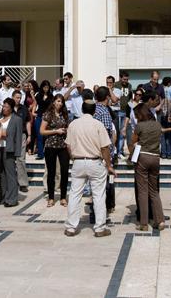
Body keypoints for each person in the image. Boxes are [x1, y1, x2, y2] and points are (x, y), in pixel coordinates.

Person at [63, 100, 115, 238]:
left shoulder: (73, 124)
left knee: (74, 195)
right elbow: (105, 147)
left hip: (78, 161)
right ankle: (99, 228)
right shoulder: (98, 125)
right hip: (94, 162)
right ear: (94, 111)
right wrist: (109, 165)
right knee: (98, 195)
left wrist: (74, 158)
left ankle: (71, 227)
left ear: (82, 109)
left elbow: (68, 145)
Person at [131, 103, 164, 231]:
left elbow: (133, 141)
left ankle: (144, 223)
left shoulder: (140, 126)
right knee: (154, 190)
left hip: (143, 157)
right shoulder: (157, 125)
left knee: (143, 191)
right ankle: (160, 220)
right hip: (155, 158)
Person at [41, 93, 71, 207]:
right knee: (51, 172)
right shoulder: (48, 114)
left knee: (64, 171)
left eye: (61, 101)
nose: (60, 103)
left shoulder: (64, 114)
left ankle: (63, 197)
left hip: (63, 145)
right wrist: (56, 131)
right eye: (58, 101)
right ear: (54, 102)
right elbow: (42, 131)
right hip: (51, 146)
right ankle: (51, 197)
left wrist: (66, 130)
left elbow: (68, 126)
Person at [0, 97, 24, 207]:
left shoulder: (17, 120)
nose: (4, 108)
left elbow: (18, 137)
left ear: (11, 108)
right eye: (3, 106)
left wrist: (17, 153)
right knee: (1, 174)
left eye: (7, 107)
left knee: (10, 174)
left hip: (9, 149)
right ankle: (2, 196)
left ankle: (12, 199)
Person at [94, 86, 117, 214]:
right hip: (103, 152)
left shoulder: (93, 110)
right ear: (107, 97)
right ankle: (107, 206)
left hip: (93, 151)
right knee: (107, 181)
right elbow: (107, 136)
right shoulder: (104, 112)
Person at [34, 79, 53, 159]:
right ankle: (40, 154)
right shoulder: (38, 95)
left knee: (48, 136)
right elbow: (35, 104)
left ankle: (48, 153)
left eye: (47, 87)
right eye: (44, 87)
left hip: (48, 118)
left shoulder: (51, 96)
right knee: (39, 135)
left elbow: (51, 107)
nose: (46, 89)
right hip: (39, 116)